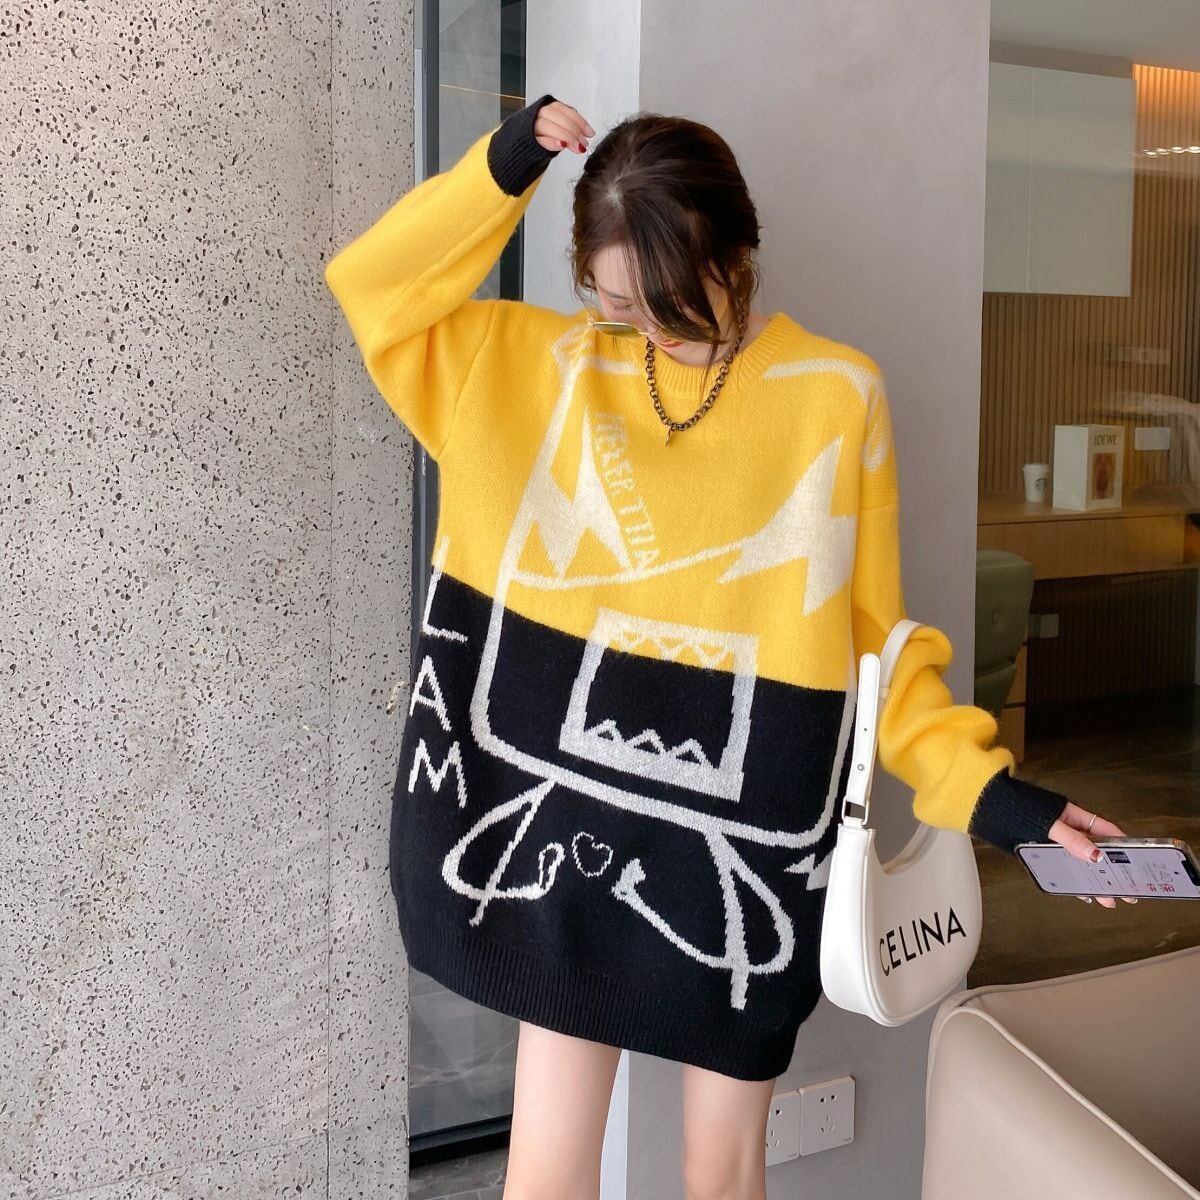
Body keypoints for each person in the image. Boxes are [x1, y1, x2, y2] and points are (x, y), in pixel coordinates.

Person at [325, 94, 1132, 1200]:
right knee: (547, 1173)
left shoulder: (831, 397)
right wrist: (502, 167)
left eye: (671, 301)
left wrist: (996, 799)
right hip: (563, 834)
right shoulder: (521, 370)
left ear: (737, 257)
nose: (648, 328)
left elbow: (877, 649)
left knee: (723, 1176)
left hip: (736, 852)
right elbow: (372, 289)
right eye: (616, 301)